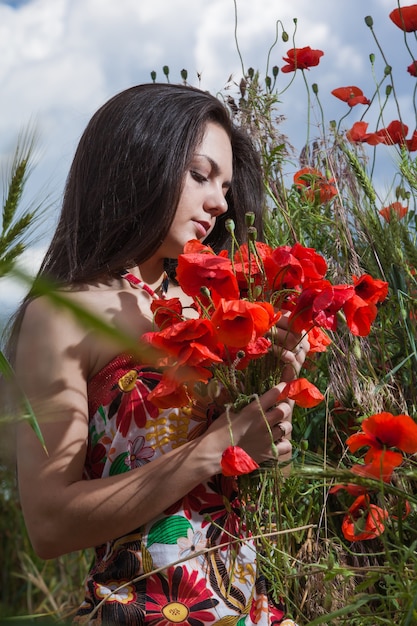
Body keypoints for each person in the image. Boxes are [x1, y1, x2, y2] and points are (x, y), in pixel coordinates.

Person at [7, 83, 309, 625]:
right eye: (200, 175)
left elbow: (246, 480)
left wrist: (272, 413)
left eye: (224, 186)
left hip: (254, 609)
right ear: (140, 159)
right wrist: (218, 446)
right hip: (141, 609)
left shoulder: (217, 307)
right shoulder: (65, 315)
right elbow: (49, 524)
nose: (219, 202)